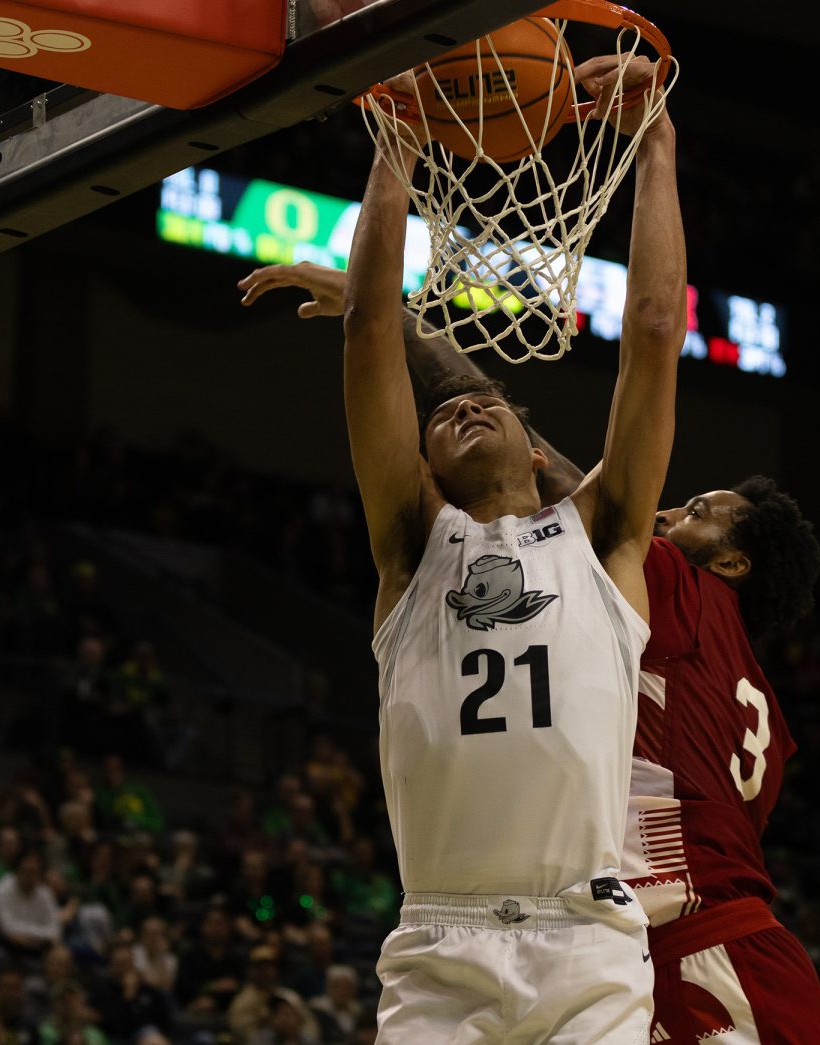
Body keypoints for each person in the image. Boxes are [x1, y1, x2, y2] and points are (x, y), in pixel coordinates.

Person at [240, 197, 820, 1045]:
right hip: (686, 940)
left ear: (732, 563)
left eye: (696, 512)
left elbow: (559, 464)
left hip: (691, 943)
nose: (668, 514)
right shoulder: (743, 687)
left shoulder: (676, 589)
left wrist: (399, 330)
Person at [243, 54, 684, 1042]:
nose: (470, 402)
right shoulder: (413, 547)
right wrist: (396, 148)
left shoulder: (604, 532)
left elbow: (655, 329)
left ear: (539, 452)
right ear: (423, 464)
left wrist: (653, 145)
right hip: (443, 948)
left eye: (490, 401)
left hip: (587, 939)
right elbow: (368, 330)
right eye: (444, 414)